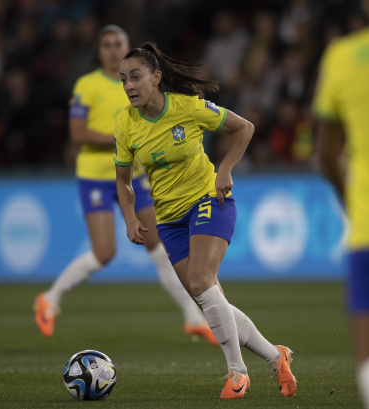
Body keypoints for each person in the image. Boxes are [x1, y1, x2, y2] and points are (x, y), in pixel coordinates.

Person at [114, 42, 297, 399]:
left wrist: (224, 170)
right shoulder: (125, 122)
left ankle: (237, 374)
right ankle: (277, 356)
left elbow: (244, 128)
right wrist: (129, 217)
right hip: (168, 221)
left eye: (136, 77)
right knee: (210, 300)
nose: (129, 86)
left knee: (200, 281)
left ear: (156, 77)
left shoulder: (188, 107)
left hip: (208, 200)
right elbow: (122, 180)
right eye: (123, 79)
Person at [33, 25, 216, 345]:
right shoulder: (87, 85)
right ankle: (50, 298)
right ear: (99, 52)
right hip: (97, 175)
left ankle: (193, 317)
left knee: (160, 248)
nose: (113, 49)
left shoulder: (139, 82)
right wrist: (122, 141)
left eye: (119, 43)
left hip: (137, 176)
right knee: (104, 253)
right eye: (107, 45)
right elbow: (77, 134)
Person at [314, 1, 369, 405]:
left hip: (367, 225)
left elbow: (327, 153)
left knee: (367, 363)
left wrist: (349, 200)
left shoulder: (341, 56)